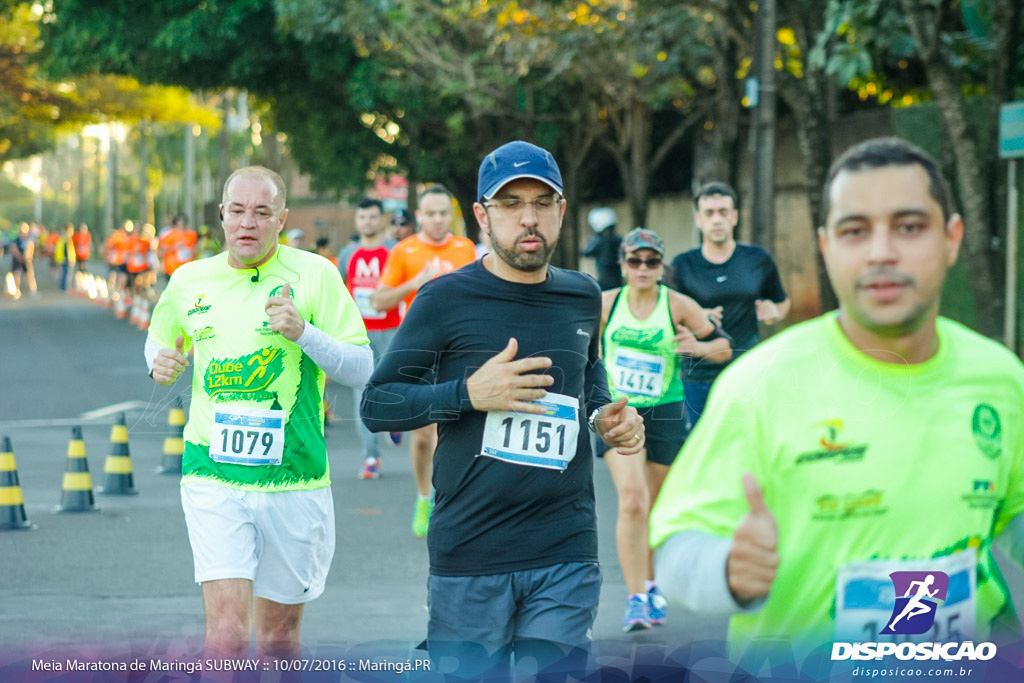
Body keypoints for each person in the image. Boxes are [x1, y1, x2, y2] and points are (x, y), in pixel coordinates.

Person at [650, 137, 1024, 665]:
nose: (881, 252)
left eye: (910, 227)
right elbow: (675, 549)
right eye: (854, 231)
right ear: (826, 247)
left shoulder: (1000, 379)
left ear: (952, 238)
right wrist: (729, 570)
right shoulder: (760, 385)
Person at [362, 140, 645, 681]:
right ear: (482, 217)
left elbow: (588, 371)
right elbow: (378, 403)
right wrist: (466, 394)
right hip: (472, 552)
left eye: (543, 203)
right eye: (511, 204)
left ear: (563, 211)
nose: (529, 218)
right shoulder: (445, 300)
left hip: (566, 548)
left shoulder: (583, 295)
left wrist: (604, 412)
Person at [145, 166, 372, 660]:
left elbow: (362, 368)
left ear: (281, 219)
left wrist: (304, 334)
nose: (248, 223)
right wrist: (157, 363)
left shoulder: (315, 274)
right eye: (238, 211)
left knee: (278, 639)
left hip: (295, 478)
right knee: (225, 633)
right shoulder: (189, 280)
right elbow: (160, 340)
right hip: (212, 474)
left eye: (262, 213)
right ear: (222, 215)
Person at [598, 227, 731, 632]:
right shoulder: (604, 304)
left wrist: (698, 347)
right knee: (633, 500)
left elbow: (723, 346)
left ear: (661, 267)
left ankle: (651, 585)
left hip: (666, 412)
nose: (642, 268)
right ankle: (637, 598)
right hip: (619, 411)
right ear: (622, 266)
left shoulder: (678, 305)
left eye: (651, 261)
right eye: (634, 261)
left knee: (655, 509)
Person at [371, 184, 476, 537]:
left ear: (452, 216)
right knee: (421, 438)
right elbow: (380, 302)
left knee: (461, 431)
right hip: (420, 349)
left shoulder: (466, 249)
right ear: (419, 216)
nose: (437, 220)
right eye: (430, 213)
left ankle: (457, 501)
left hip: (460, 349)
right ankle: (423, 497)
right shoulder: (404, 251)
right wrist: (416, 281)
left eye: (443, 213)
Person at [668, 181, 789, 429]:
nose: (717, 219)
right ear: (698, 220)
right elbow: (667, 316)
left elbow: (782, 302)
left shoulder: (757, 259)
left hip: (747, 369)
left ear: (734, 217)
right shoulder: (682, 265)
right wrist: (696, 315)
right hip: (699, 373)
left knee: (748, 442)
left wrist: (775, 313)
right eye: (709, 213)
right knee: (703, 448)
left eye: (723, 212)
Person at [337, 197, 402, 479]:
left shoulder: (394, 251)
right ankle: (371, 457)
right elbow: (337, 290)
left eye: (373, 217)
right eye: (363, 217)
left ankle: (395, 421)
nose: (368, 222)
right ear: (357, 221)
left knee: (396, 385)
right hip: (359, 333)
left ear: (382, 220)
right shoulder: (347, 254)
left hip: (393, 330)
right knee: (362, 392)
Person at [582, 207, 622, 290]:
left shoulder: (600, 240)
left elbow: (586, 252)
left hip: (604, 280)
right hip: (618, 280)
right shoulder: (619, 239)